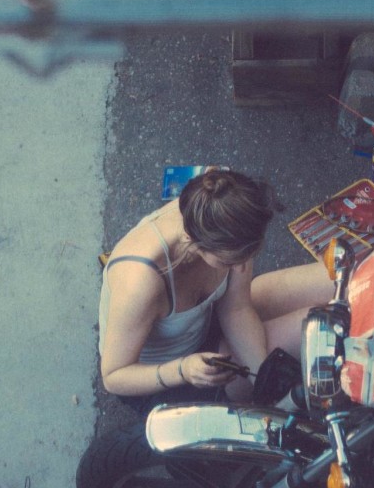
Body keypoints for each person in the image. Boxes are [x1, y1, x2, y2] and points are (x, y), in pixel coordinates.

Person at [98, 169, 333, 404]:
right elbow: (113, 377)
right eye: (228, 262)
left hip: (208, 322)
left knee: (336, 284)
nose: (241, 269)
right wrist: (182, 370)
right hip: (168, 379)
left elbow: (236, 308)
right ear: (193, 241)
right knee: (323, 324)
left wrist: (263, 375)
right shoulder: (140, 281)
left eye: (249, 255)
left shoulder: (223, 199)